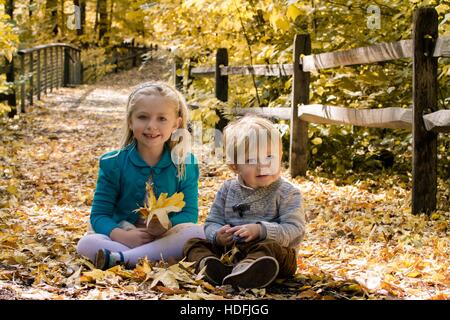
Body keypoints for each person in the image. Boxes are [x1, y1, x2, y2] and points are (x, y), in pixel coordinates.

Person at [77, 82, 204, 270]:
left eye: (162, 119)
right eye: (143, 117)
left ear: (176, 124)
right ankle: (146, 257)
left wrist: (164, 225)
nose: (152, 126)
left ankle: (121, 259)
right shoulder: (112, 163)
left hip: (165, 235)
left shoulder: (185, 163)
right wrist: (121, 235)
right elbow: (99, 215)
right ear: (130, 121)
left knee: (198, 233)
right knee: (86, 244)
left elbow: (190, 214)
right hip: (123, 234)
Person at [183, 115, 306, 289]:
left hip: (274, 254)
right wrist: (217, 235)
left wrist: (261, 230)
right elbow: (212, 222)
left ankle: (251, 270)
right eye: (251, 160)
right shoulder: (227, 189)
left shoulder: (287, 192)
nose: (262, 165)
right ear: (235, 166)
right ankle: (213, 268)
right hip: (232, 252)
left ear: (280, 156)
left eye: (269, 157)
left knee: (269, 248)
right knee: (193, 243)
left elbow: (295, 230)